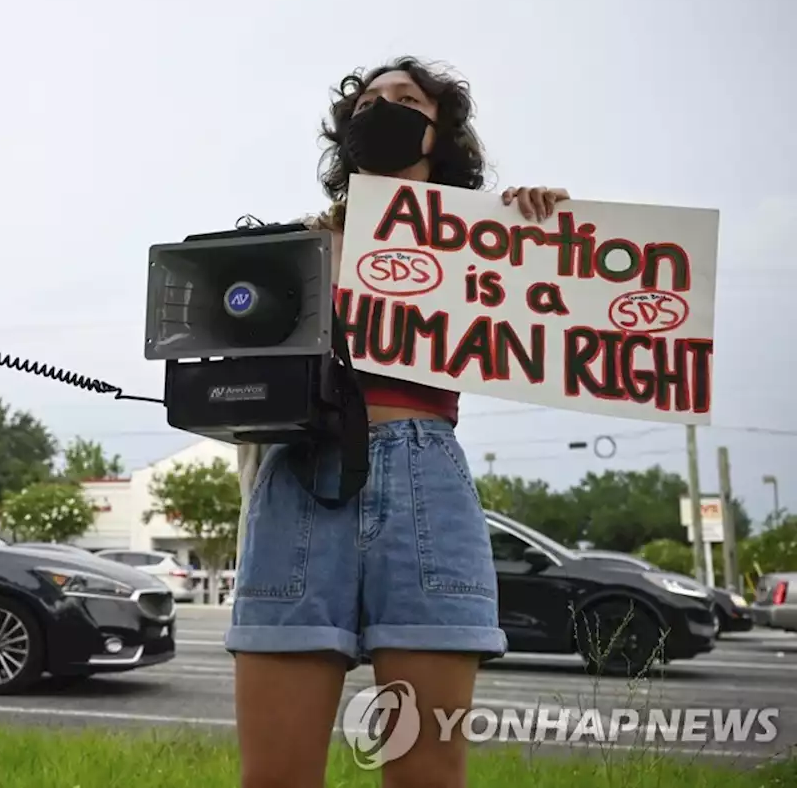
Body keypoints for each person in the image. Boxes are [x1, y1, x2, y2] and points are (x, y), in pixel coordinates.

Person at [227, 57, 570, 788]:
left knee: (428, 774)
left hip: (425, 480)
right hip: (302, 475)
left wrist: (547, 229)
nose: (382, 107)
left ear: (439, 130)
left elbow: (564, 302)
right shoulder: (300, 245)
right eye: (367, 100)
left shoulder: (482, 237)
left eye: (405, 98)